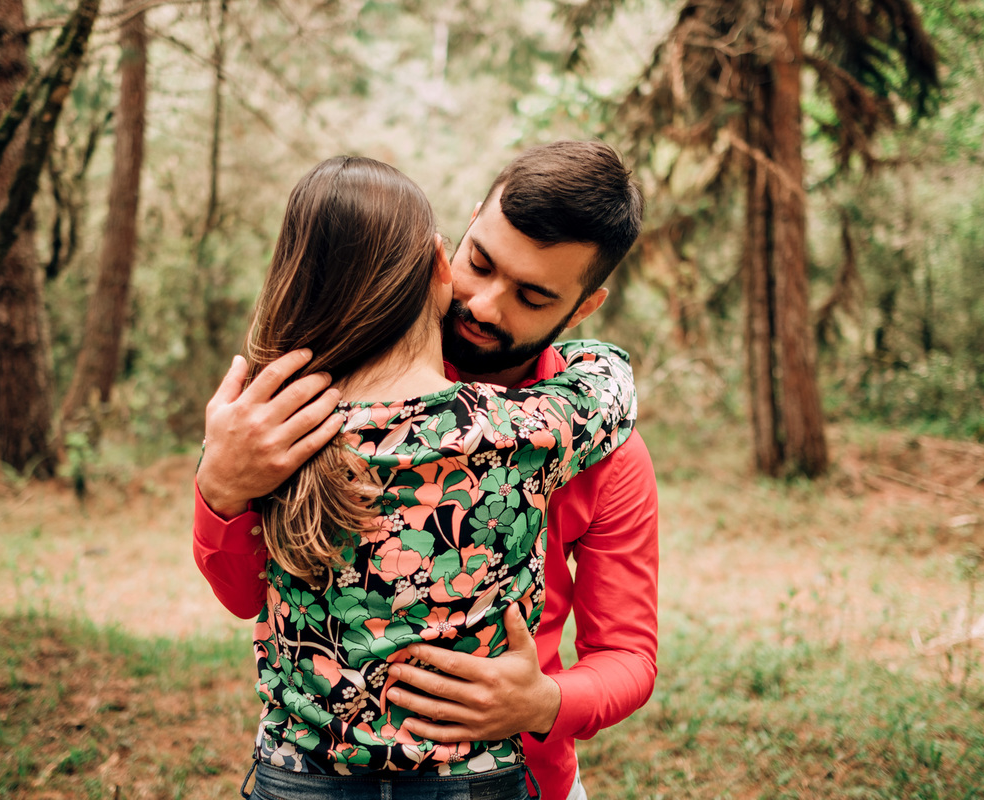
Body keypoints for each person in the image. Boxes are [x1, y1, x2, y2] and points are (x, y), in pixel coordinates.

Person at [196, 141, 660, 800]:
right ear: (460, 233)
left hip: (523, 775)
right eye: (480, 262)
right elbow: (245, 595)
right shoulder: (328, 384)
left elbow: (629, 657)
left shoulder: (606, 449)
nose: (487, 306)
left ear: (583, 305)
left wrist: (543, 703)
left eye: (532, 295)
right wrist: (220, 487)